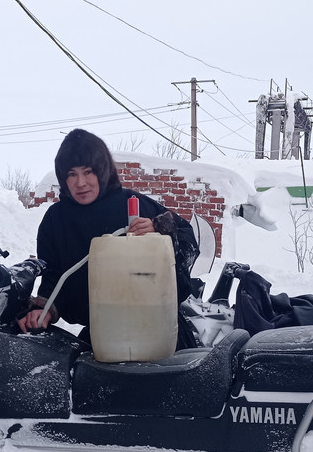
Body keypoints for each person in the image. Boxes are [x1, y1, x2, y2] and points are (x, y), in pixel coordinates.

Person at [17, 128, 200, 347]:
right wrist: (43, 309)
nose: (81, 183)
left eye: (88, 172)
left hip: (158, 331)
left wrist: (161, 229)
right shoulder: (56, 220)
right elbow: (54, 276)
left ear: (102, 171)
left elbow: (188, 240)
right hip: (103, 338)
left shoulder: (132, 204)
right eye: (71, 174)